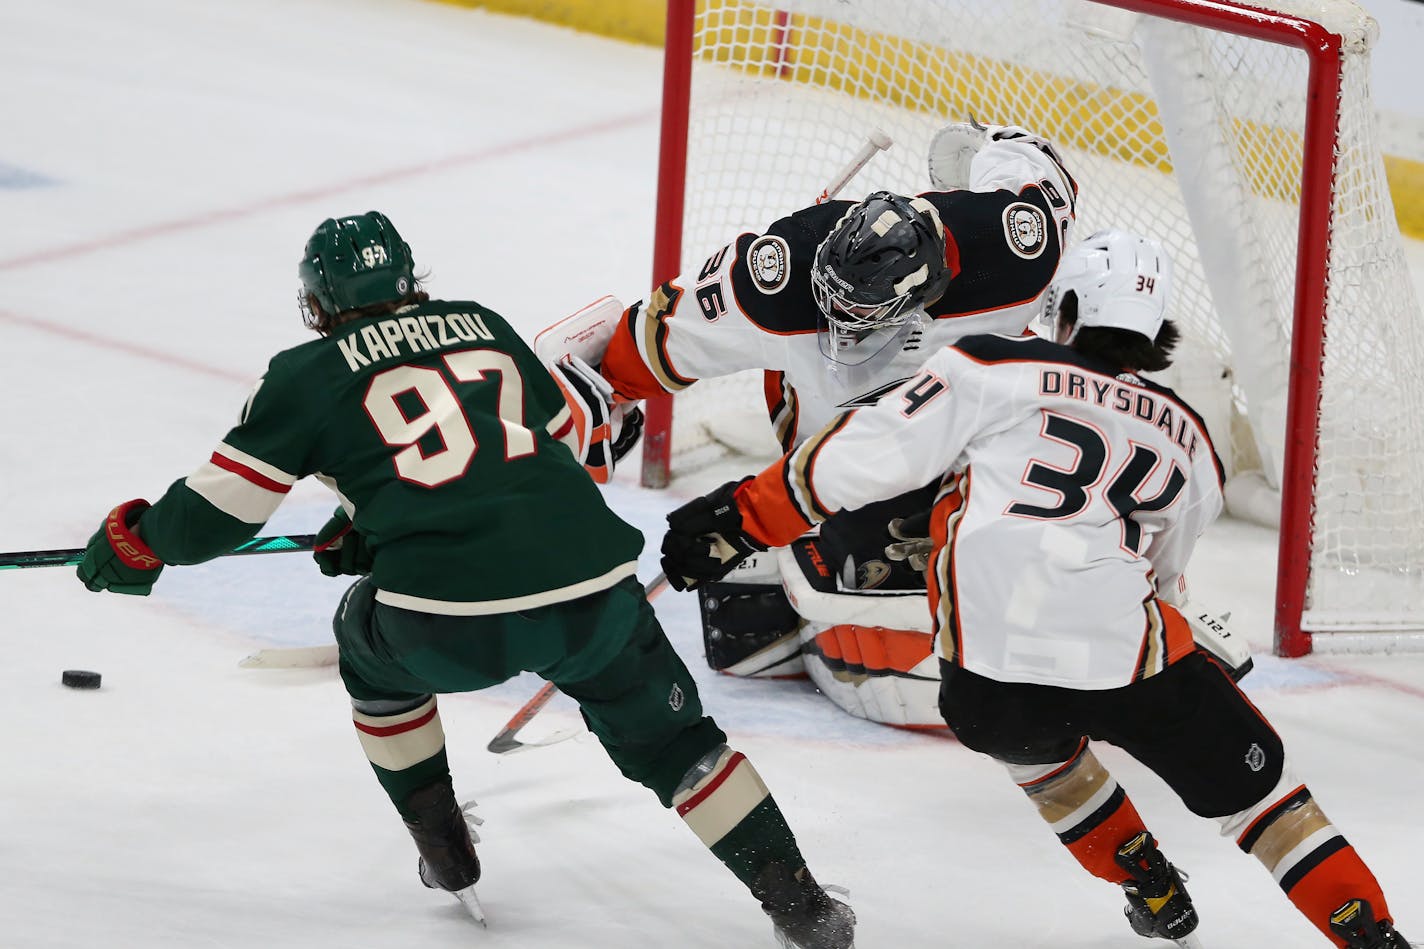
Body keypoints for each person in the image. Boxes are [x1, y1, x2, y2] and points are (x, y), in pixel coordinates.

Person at [74, 211, 855, 949]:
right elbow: (570, 451)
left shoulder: (303, 373)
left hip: (442, 622)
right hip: (592, 589)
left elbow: (218, 513)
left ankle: (444, 847)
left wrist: (136, 544)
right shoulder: (481, 323)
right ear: (411, 277)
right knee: (680, 745)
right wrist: (385, 522)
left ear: (315, 302)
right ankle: (803, 905)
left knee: (364, 641)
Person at [659, 229, 1408, 947]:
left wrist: (735, 521)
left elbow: (859, 461)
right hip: (1128, 664)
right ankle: (1371, 934)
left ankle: (1142, 876)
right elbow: (1168, 575)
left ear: (1070, 308)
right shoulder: (1189, 440)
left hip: (983, 686)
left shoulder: (988, 367)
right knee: (1268, 797)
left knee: (1035, 750)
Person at [555, 121, 1077, 710]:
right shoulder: (775, 280)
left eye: (858, 318)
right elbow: (662, 336)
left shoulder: (1015, 248)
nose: (838, 329)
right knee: (858, 528)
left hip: (968, 425)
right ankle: (816, 538)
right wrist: (609, 393)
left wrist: (982, 144)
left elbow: (1034, 164)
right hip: (826, 427)